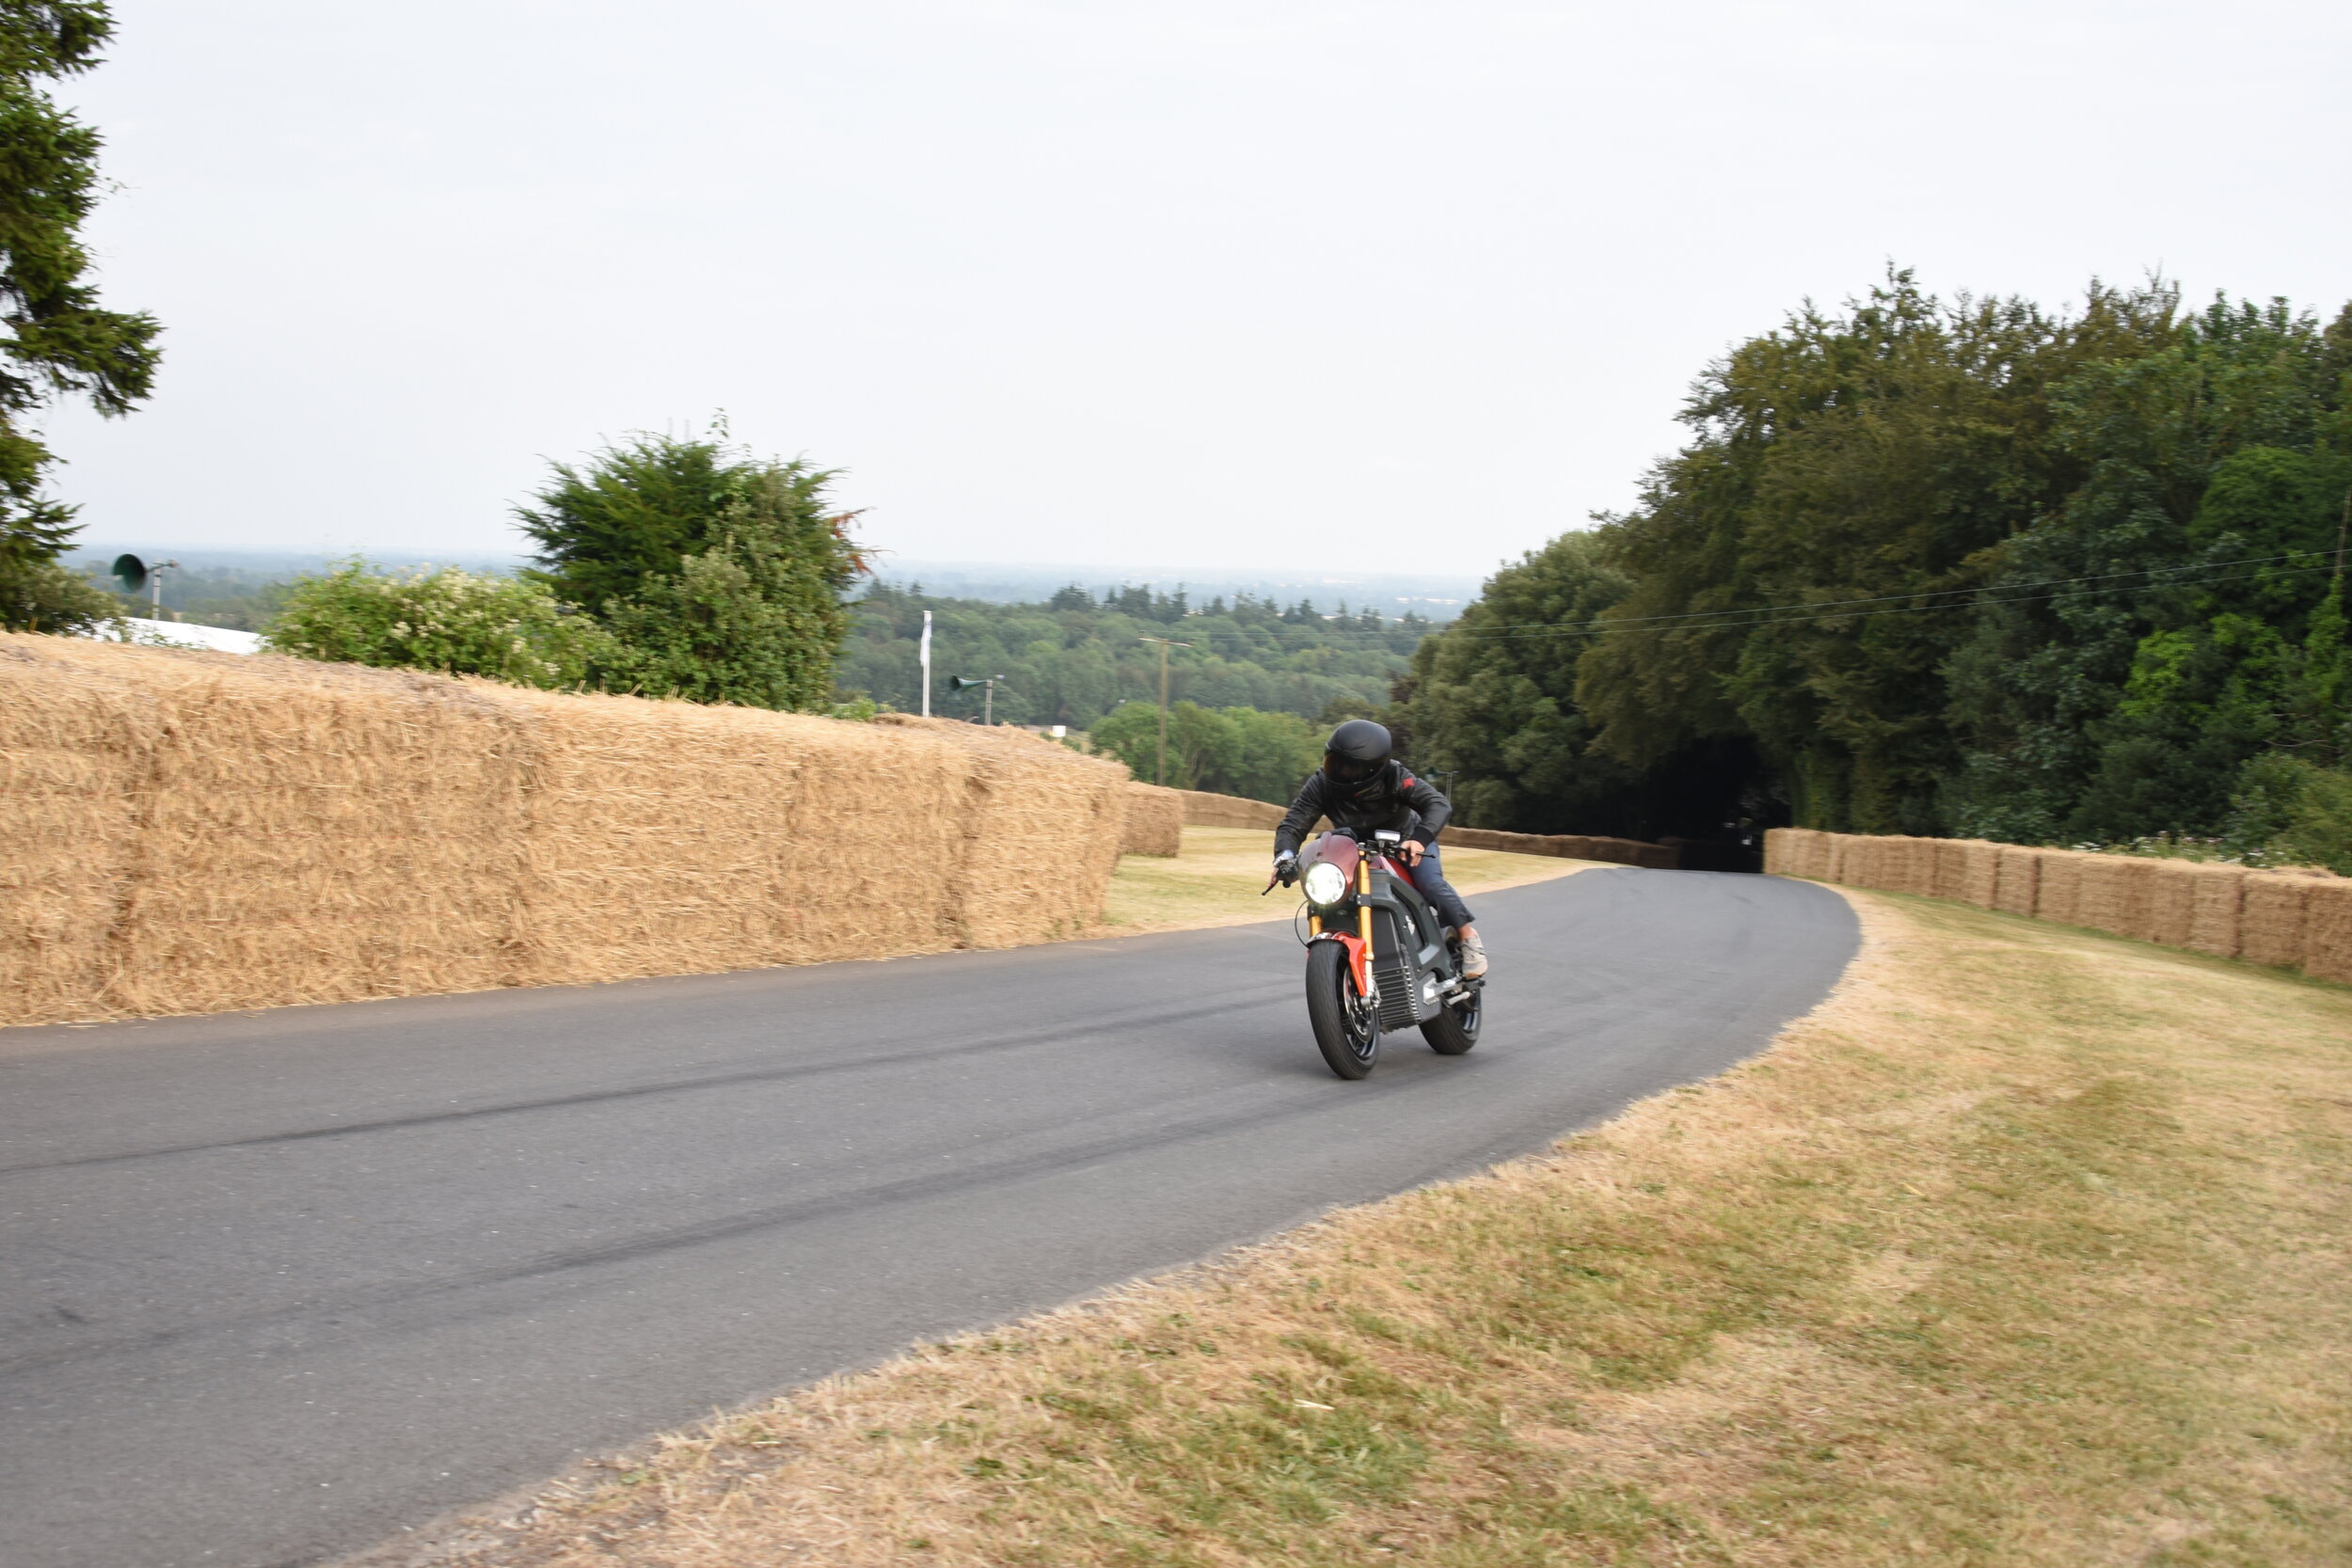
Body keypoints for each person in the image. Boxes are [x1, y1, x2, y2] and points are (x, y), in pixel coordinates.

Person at [1272, 720, 1487, 978]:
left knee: (1430, 884)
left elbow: (1437, 804)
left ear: (1374, 768)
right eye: (1336, 761)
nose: (1341, 770)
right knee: (1330, 891)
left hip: (1405, 841)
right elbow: (1293, 823)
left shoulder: (1396, 776)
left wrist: (1419, 839)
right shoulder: (1321, 783)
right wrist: (1284, 857)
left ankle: (1468, 936)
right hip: (1351, 845)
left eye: (1351, 766)